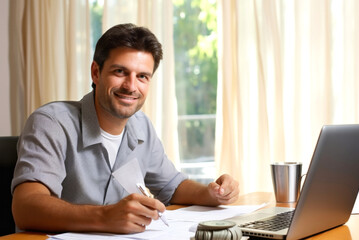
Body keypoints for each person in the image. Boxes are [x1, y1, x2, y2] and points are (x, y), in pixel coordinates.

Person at [11, 23, 239, 234]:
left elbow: (173, 186)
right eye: (120, 72)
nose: (131, 86)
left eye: (142, 76)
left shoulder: (141, 125)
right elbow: (25, 208)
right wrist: (104, 216)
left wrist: (210, 194)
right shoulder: (52, 122)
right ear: (96, 72)